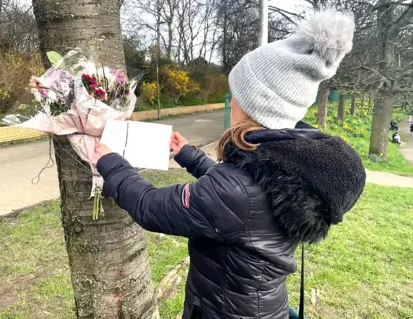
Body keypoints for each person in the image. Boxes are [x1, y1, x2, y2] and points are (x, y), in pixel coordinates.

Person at [93, 10, 366, 319]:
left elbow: (150, 206)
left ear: (253, 103)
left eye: (236, 92)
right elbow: (243, 197)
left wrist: (110, 162)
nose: (232, 98)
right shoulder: (291, 160)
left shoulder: (235, 193)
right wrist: (190, 156)